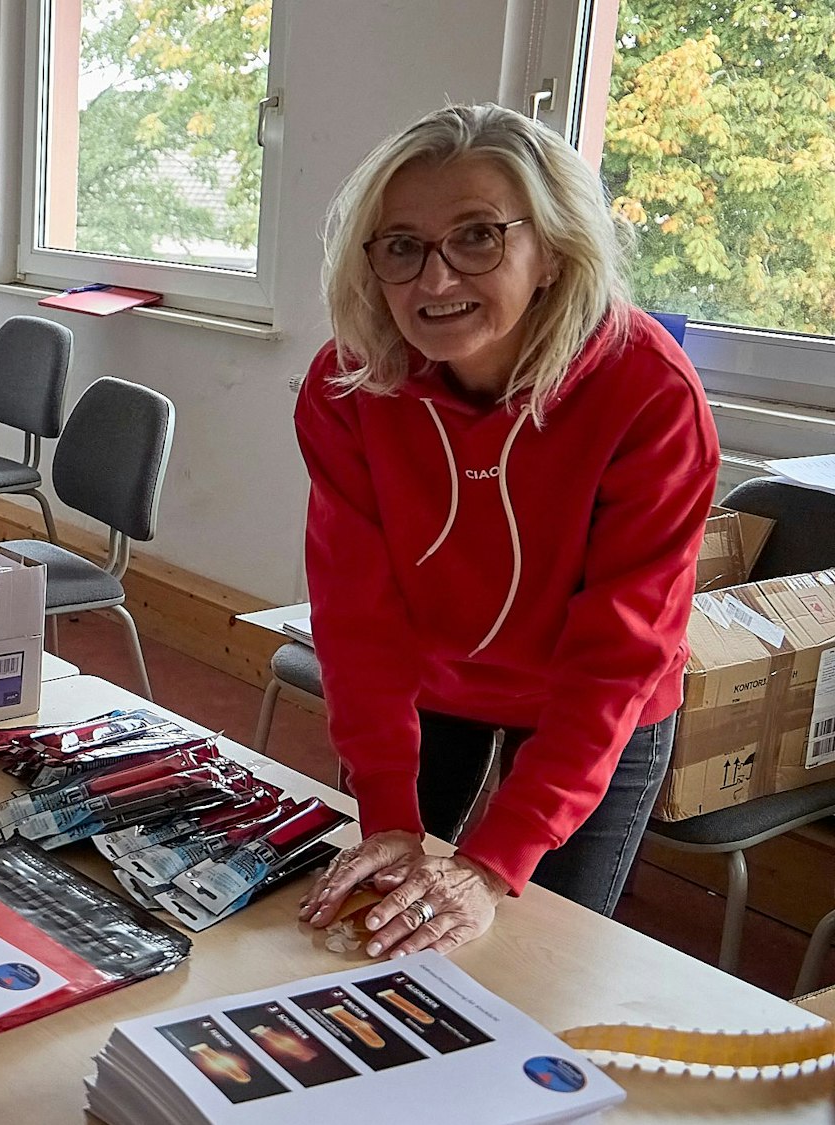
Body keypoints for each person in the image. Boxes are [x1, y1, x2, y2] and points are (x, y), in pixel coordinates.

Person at [293, 104, 719, 958]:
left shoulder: (649, 393)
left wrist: (494, 863)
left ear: (553, 250)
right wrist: (387, 810)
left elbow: (619, 652)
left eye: (478, 237)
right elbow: (357, 617)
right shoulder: (351, 387)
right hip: (432, 685)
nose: (435, 279)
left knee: (542, 957)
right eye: (402, 245)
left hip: (591, 704)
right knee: (382, 930)